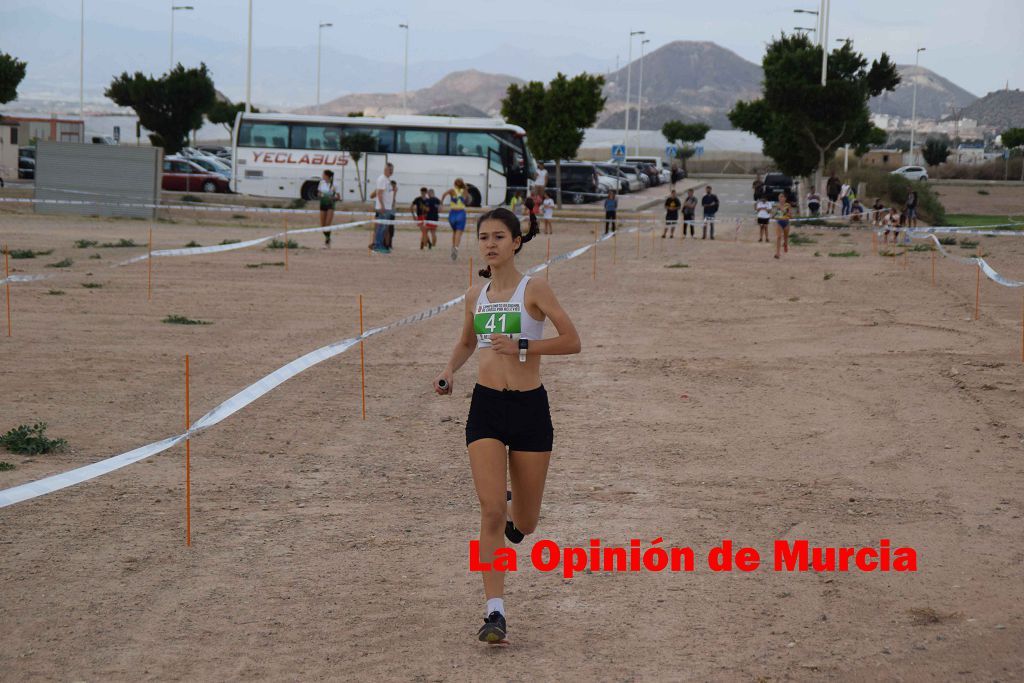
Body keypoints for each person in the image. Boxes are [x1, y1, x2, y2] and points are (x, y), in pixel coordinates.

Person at [434, 207, 580, 646]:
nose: (490, 244)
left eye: (499, 236)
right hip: (487, 408)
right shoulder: (473, 296)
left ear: (517, 242)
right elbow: (465, 341)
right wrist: (449, 371)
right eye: (484, 237)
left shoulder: (533, 288)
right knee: (491, 510)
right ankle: (494, 611)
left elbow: (572, 341)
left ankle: (519, 516)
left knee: (526, 523)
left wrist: (523, 344)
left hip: (530, 409)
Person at [442, 177, 469, 261]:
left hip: (452, 213)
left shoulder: (451, 190)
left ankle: (453, 246)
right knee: (459, 232)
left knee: (454, 232)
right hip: (460, 212)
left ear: (454, 184)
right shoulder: (465, 191)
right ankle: (456, 248)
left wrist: (441, 204)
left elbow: (444, 195)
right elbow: (467, 201)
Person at [372, 163, 395, 253]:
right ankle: (377, 245)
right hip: (383, 208)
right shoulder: (382, 179)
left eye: (392, 169)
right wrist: (382, 205)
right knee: (381, 227)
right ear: (385, 169)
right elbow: (379, 193)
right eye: (390, 170)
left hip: (387, 207)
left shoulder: (387, 179)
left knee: (384, 227)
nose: (391, 171)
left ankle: (380, 244)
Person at [317, 169, 341, 248]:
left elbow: (338, 197)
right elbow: (319, 193)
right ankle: (328, 238)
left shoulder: (335, 184)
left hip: (330, 205)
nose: (322, 176)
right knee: (322, 225)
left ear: (327, 176)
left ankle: (327, 241)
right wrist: (321, 195)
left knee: (327, 224)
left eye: (323, 175)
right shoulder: (321, 183)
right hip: (323, 204)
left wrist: (333, 198)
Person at [773, 193, 792, 259]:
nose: (781, 198)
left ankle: (785, 244)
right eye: (780, 197)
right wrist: (773, 215)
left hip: (786, 222)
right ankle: (777, 253)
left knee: (786, 237)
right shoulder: (777, 205)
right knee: (778, 237)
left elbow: (790, 215)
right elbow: (774, 215)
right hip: (779, 222)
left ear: (785, 198)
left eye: (782, 197)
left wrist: (783, 210)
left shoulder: (788, 205)